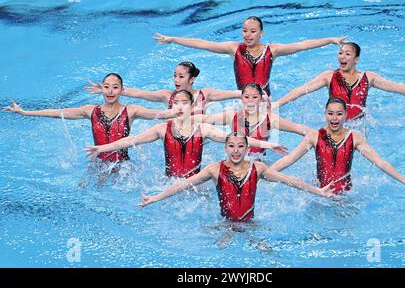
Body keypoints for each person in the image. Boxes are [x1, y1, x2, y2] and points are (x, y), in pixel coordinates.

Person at [85, 90, 288, 178]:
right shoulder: (162, 129)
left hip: (196, 184)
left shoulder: (203, 129)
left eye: (184, 103)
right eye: (176, 104)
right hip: (169, 182)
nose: (180, 107)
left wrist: (269, 145)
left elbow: (236, 140)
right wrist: (102, 148)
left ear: (192, 106)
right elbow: (132, 140)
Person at [139, 132, 335, 222]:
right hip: (225, 224)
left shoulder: (258, 168)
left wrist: (317, 191)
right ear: (225, 148)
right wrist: (156, 197)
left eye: (240, 146)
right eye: (231, 146)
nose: (236, 150)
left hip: (251, 223)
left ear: (247, 149)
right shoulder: (214, 169)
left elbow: (290, 181)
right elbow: (183, 185)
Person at [3, 73, 176, 162]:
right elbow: (58, 112)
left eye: (115, 87)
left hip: (123, 166)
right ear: (101, 89)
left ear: (122, 90)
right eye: (106, 87)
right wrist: (25, 112)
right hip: (97, 163)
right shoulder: (90, 111)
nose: (110, 91)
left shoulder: (130, 111)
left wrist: (179, 112)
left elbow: (159, 115)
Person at [154, 16, 346, 96]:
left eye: (253, 31)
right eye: (245, 31)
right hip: (243, 98)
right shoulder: (233, 49)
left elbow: (301, 45)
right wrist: (173, 39)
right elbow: (204, 44)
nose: (248, 35)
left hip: (265, 99)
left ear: (261, 33)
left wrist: (329, 40)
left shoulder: (273, 50)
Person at [270, 97, 405, 193]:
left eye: (339, 114)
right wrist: (264, 173)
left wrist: (404, 180)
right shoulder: (314, 136)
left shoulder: (355, 138)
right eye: (330, 113)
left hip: (346, 195)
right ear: (325, 114)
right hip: (319, 193)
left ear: (345, 115)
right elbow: (289, 160)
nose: (334, 118)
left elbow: (379, 162)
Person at [273, 42, 405, 121]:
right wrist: (276, 104)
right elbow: (301, 90)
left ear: (356, 59)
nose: (342, 56)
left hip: (359, 125)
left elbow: (398, 88)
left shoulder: (368, 78)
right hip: (334, 123)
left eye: (347, 54)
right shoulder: (329, 76)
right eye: (340, 53)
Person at [193, 83, 311, 160]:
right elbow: (204, 119)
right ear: (241, 98)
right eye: (246, 97)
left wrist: (321, 136)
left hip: (258, 165)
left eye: (254, 97)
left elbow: (299, 129)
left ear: (260, 99)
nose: (250, 101)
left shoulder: (270, 119)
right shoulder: (231, 116)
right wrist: (180, 117)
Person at [85, 61, 242, 114]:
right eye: (175, 75)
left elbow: (233, 94)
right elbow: (140, 94)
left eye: (181, 76)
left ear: (192, 79)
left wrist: (256, 94)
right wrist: (110, 89)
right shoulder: (167, 96)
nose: (176, 80)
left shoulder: (205, 94)